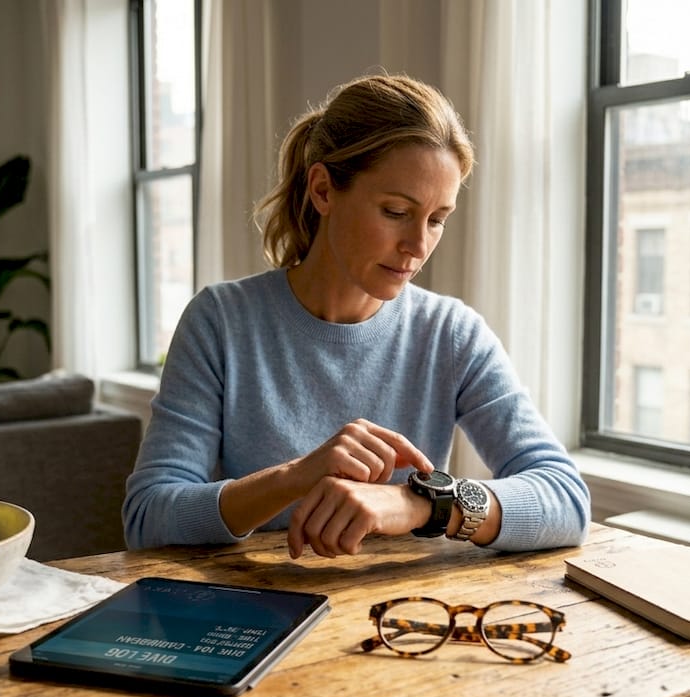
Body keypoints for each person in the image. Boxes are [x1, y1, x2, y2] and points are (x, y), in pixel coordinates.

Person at [122, 73, 589, 558]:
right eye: (395, 211)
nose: (418, 246)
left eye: (436, 219)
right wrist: (296, 476)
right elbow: (147, 516)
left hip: (402, 618)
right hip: (254, 613)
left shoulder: (452, 333)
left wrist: (420, 504)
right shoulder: (221, 321)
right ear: (323, 190)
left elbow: (566, 500)